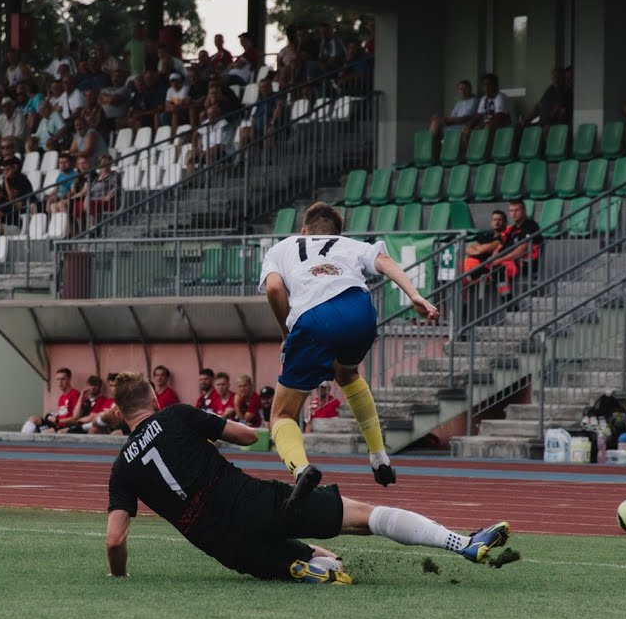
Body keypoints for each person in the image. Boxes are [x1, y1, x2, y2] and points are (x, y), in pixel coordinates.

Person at [104, 372, 513, 582]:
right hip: (253, 502)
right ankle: (463, 543)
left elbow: (115, 539)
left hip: (223, 546)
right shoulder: (177, 416)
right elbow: (247, 437)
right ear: (156, 401)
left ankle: (307, 567)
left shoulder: (122, 467)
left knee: (322, 559)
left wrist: (118, 576)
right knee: (365, 516)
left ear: (122, 414)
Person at [258, 202, 440, 509]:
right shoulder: (350, 245)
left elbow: (274, 288)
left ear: (304, 230)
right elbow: (384, 261)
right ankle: (379, 455)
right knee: (348, 375)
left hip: (314, 318)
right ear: (336, 232)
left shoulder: (283, 247)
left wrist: (287, 333)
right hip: (360, 312)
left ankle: (302, 470)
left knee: (282, 414)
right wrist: (414, 295)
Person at [22, 368, 80, 433]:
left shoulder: (75, 394)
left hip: (64, 427)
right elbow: (63, 414)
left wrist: (58, 420)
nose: (60, 382)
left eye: (63, 379)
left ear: (69, 379)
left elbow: (76, 417)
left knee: (44, 432)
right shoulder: (62, 397)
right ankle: (21, 438)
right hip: (56, 424)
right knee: (33, 419)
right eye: (58, 379)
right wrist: (52, 417)